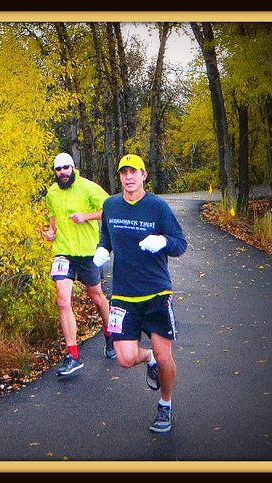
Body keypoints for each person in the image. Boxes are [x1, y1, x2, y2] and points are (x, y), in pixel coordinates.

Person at [93, 153, 187, 432]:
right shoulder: (110, 205)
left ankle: (165, 405)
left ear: (144, 175)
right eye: (124, 173)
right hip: (123, 295)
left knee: (165, 354)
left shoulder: (157, 207)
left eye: (134, 172)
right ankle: (149, 358)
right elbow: (106, 239)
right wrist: (102, 250)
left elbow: (180, 244)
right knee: (124, 358)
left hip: (157, 292)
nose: (129, 177)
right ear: (119, 176)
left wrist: (162, 242)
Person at [44, 152, 114, 377]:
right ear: (54, 172)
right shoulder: (52, 192)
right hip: (63, 253)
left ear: (73, 168)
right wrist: (51, 231)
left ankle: (110, 334)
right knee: (62, 302)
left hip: (87, 253)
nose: (63, 172)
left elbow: (111, 210)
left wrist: (86, 216)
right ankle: (72, 355)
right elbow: (53, 215)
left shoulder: (88, 187)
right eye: (58, 169)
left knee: (97, 297)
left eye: (66, 167)